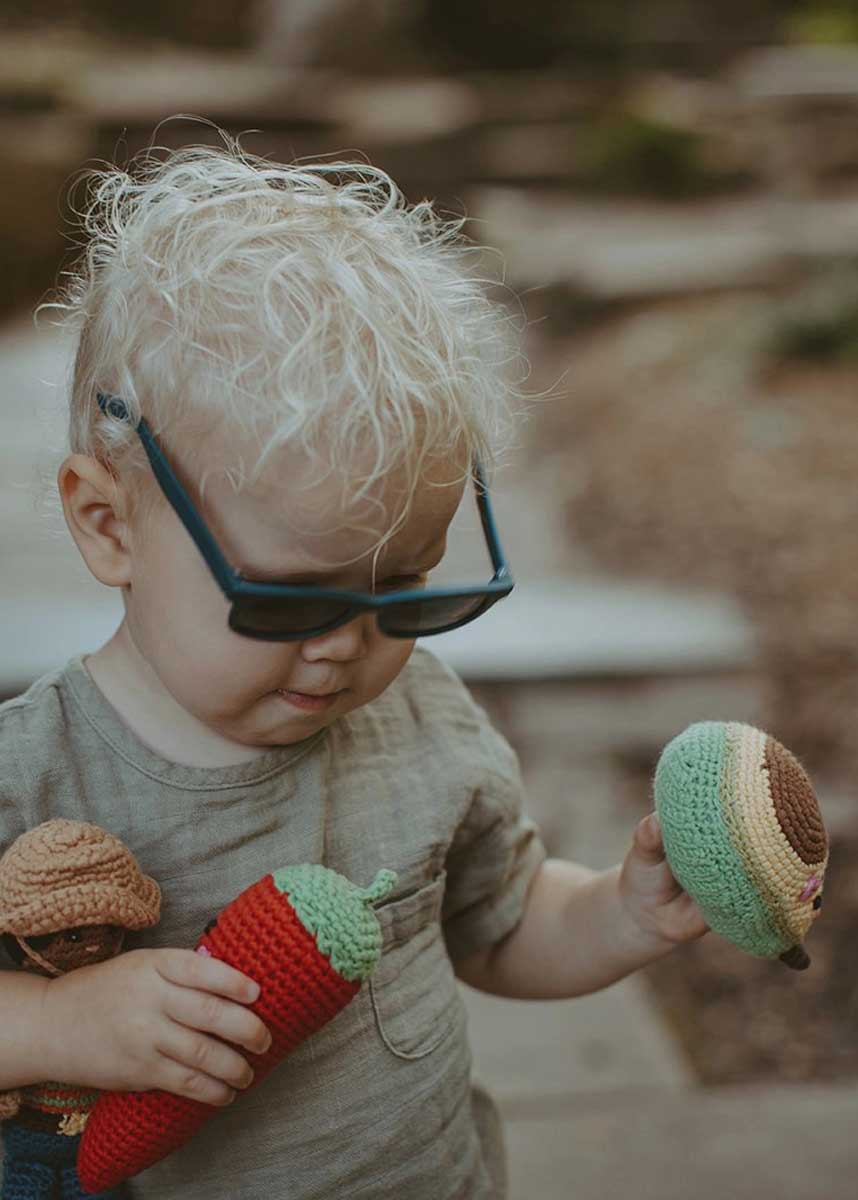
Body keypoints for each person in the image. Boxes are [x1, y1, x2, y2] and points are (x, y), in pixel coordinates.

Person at [0, 123, 708, 1199]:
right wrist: (52, 1022)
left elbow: (502, 920)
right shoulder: (36, 772)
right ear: (110, 525)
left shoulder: (417, 712)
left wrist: (620, 912)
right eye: (291, 594)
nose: (348, 645)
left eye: (404, 586)